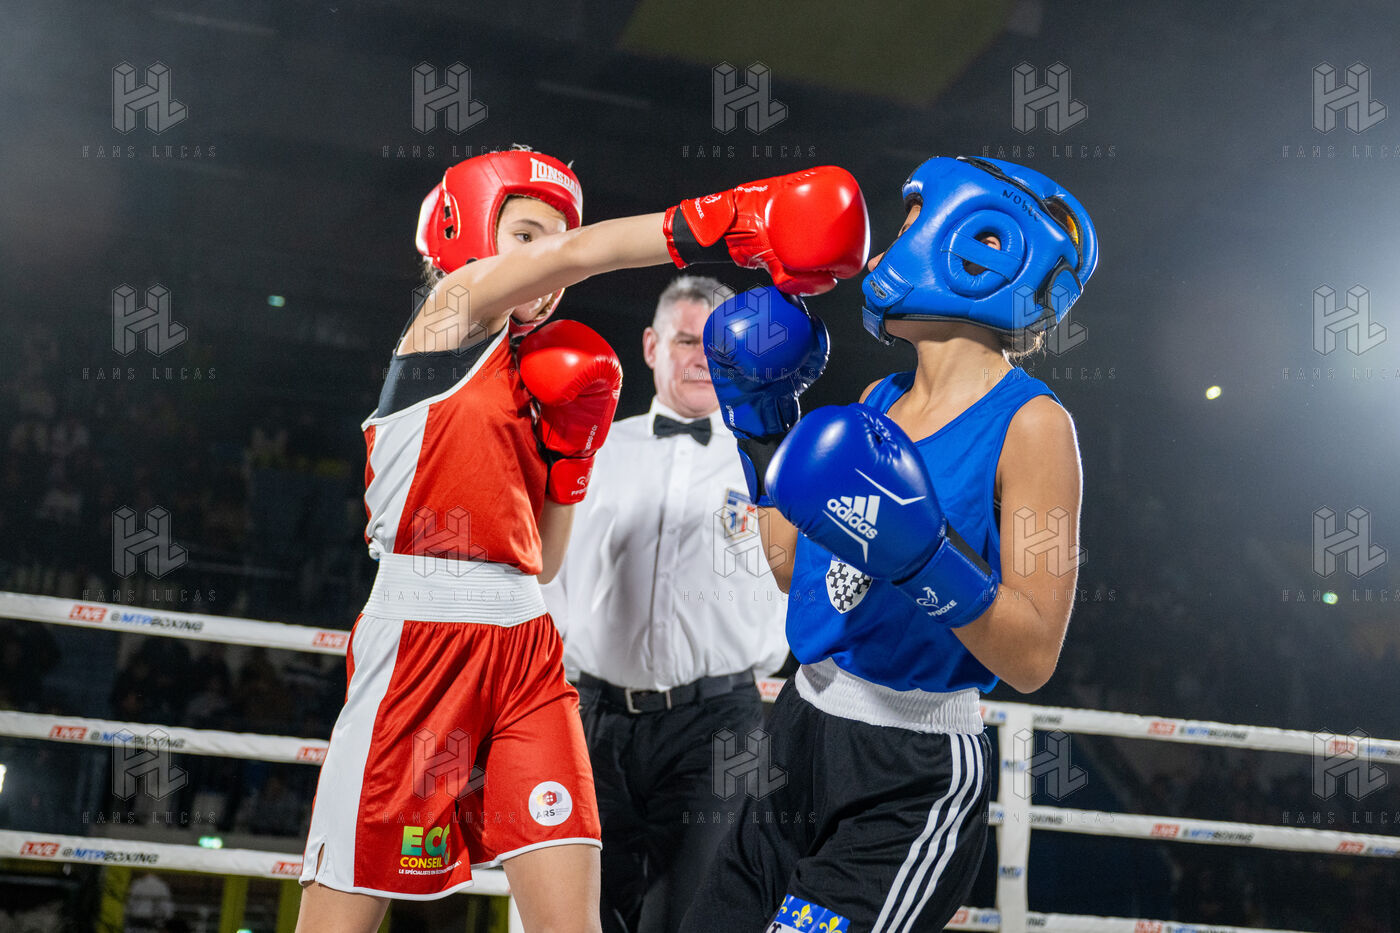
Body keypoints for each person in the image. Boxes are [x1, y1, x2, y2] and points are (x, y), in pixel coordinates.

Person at [294, 147, 870, 933]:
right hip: (423, 634)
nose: (548, 257)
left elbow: (545, 560)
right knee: (344, 915)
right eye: (525, 234)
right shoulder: (447, 317)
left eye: (552, 237)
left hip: (527, 646)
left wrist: (570, 459)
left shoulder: (535, 380)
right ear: (469, 234)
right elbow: (576, 255)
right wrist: (719, 218)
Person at [684, 156, 1098, 931]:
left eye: (909, 224)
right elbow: (790, 569)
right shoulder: (878, 400)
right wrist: (761, 426)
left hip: (910, 765)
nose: (887, 245)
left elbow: (1033, 654)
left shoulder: (1034, 425)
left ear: (980, 247)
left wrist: (922, 555)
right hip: (801, 725)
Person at [543, 274, 790, 933]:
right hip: (593, 718)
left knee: (697, 916)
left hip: (724, 723)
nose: (702, 359)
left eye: (719, 347)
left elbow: (811, 585)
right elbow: (546, 579)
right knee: (586, 916)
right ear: (652, 345)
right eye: (686, 341)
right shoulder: (592, 448)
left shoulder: (774, 462)